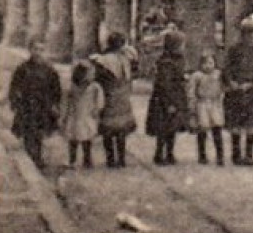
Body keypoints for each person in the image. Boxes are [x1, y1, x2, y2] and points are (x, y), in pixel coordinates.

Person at [222, 19, 253, 166]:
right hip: (236, 91)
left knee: (251, 123)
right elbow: (227, 68)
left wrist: (252, 83)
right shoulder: (234, 49)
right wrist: (231, 82)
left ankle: (248, 154)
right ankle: (236, 154)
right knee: (236, 122)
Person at [9, 39, 61, 169]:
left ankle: (37, 157)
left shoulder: (49, 70)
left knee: (39, 133)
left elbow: (56, 89)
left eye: (41, 49)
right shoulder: (22, 69)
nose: (38, 52)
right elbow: (14, 86)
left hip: (43, 106)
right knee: (28, 132)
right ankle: (31, 158)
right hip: (27, 106)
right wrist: (15, 101)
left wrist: (55, 104)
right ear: (30, 50)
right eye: (35, 49)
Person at [92, 32, 139, 168]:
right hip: (123, 95)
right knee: (121, 130)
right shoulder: (127, 59)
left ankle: (111, 159)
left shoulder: (102, 60)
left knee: (108, 129)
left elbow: (98, 77)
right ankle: (121, 159)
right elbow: (135, 71)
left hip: (109, 95)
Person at [146, 29, 189, 165]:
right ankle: (159, 154)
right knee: (163, 129)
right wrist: (169, 103)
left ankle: (170, 153)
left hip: (176, 97)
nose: (183, 47)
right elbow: (164, 84)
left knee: (172, 127)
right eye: (181, 45)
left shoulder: (178, 60)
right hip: (166, 99)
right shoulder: (166, 62)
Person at [61, 61, 105, 169]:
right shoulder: (72, 87)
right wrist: (63, 115)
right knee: (73, 140)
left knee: (87, 140)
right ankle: (72, 160)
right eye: (90, 73)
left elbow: (100, 100)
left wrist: (97, 110)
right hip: (75, 116)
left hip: (87, 115)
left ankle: (87, 159)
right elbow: (65, 101)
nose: (93, 75)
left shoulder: (95, 87)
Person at [188, 51, 226, 165]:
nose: (208, 66)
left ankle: (220, 156)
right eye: (205, 63)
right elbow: (191, 90)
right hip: (202, 104)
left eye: (210, 63)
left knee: (217, 129)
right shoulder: (197, 76)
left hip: (215, 104)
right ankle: (202, 155)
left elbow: (223, 87)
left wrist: (222, 96)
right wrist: (192, 103)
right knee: (202, 130)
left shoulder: (218, 74)